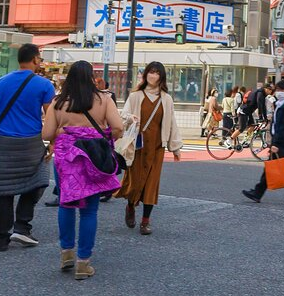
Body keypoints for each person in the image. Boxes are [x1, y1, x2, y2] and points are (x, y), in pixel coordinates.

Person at [42, 61, 124, 280]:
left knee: (66, 204)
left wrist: (64, 131)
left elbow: (46, 134)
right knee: (89, 211)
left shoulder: (58, 101)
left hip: (66, 158)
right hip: (93, 156)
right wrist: (104, 136)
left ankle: (66, 254)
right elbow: (118, 127)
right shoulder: (103, 99)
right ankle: (83, 263)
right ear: (91, 77)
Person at [0, 44, 55, 251]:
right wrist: (53, 142)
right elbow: (50, 117)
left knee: (3, 188)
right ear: (35, 59)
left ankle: (1, 237)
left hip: (2, 143)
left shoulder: (0, 83)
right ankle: (22, 226)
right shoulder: (44, 85)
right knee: (38, 180)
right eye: (40, 59)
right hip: (30, 143)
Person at [114, 62, 183, 235]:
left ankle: (145, 221)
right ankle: (130, 206)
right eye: (150, 72)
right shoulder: (136, 96)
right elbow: (123, 116)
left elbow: (172, 123)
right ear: (145, 75)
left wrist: (175, 147)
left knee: (152, 184)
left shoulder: (166, 99)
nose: (153, 76)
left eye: (157, 73)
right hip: (137, 147)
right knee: (134, 181)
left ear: (162, 77)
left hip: (157, 147)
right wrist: (130, 118)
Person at [242, 80, 284, 205]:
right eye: (277, 90)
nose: (279, 92)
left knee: (283, 168)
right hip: (282, 141)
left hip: (283, 142)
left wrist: (276, 144)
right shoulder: (281, 103)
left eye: (282, 90)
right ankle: (258, 192)